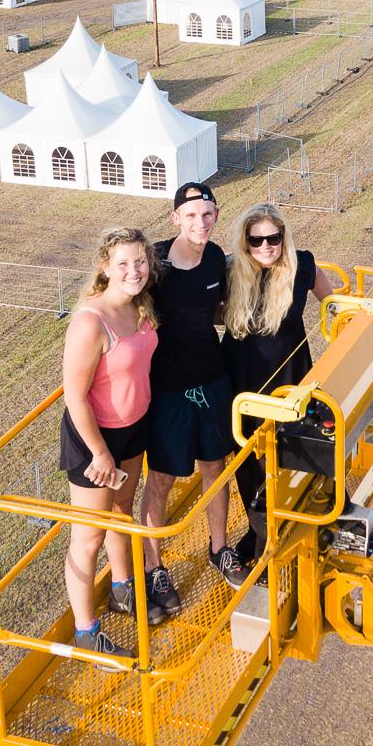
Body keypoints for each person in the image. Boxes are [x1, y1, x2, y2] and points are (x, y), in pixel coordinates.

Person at [59, 227, 158, 667]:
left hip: (133, 430)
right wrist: (99, 453)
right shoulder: (89, 322)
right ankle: (86, 633)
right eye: (123, 264)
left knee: (123, 511)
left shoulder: (141, 304)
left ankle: (122, 588)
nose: (134, 271)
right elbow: (74, 396)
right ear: (105, 267)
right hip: (95, 440)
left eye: (140, 262)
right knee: (88, 537)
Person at [142, 181, 246, 603]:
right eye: (190, 216)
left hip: (212, 381)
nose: (199, 223)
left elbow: (216, 309)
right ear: (174, 219)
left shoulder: (216, 257)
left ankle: (218, 548)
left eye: (206, 215)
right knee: (162, 478)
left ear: (216, 216)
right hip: (168, 391)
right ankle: (154, 568)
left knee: (215, 467)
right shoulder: (155, 265)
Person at [221, 202, 333, 564]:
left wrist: (346, 319)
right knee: (249, 462)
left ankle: (294, 527)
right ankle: (261, 537)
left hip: (289, 381)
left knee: (291, 458)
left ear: (285, 238)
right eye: (257, 240)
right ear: (245, 242)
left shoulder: (302, 266)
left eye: (274, 238)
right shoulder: (230, 271)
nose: (266, 246)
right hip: (242, 386)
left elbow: (332, 300)